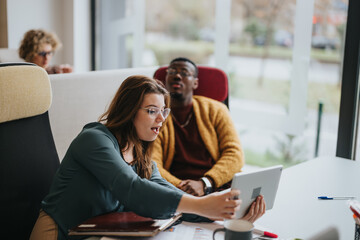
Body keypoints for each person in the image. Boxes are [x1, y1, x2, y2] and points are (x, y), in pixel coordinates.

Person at [29, 75, 264, 240]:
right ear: (129, 112)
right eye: (152, 111)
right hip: (60, 231)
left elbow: (170, 197)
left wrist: (231, 214)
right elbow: (131, 188)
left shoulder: (143, 158)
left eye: (164, 111)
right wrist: (203, 204)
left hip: (96, 233)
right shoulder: (94, 140)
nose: (161, 119)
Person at [152, 57, 245, 197]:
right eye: (171, 72)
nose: (177, 76)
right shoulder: (155, 116)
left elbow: (235, 154)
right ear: (165, 81)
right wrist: (184, 189)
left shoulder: (216, 110)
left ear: (195, 83)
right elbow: (152, 164)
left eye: (184, 73)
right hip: (176, 191)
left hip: (217, 185)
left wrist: (205, 183)